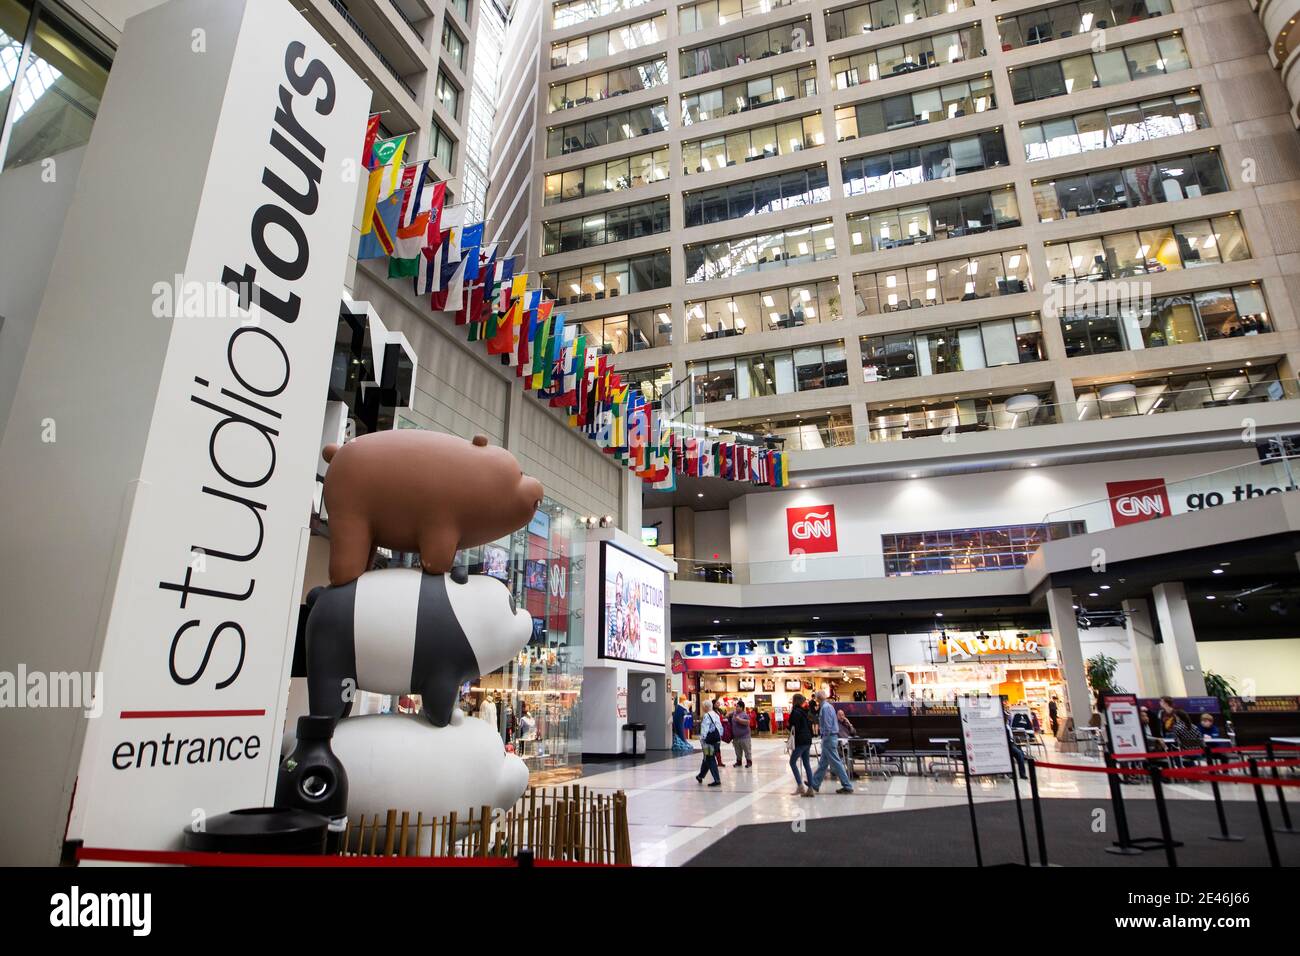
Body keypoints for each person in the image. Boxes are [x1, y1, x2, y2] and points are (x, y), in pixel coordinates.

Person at [808, 690, 854, 795]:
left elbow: (827, 725)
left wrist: (825, 738)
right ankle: (815, 784)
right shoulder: (828, 706)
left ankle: (847, 786)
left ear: (818, 699)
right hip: (830, 738)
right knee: (823, 764)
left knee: (836, 763)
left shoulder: (825, 708)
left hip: (829, 738)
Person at [787, 693, 814, 796]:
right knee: (806, 764)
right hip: (807, 740)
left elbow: (794, 727)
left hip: (800, 741)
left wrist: (788, 727)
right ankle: (810, 788)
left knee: (792, 762)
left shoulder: (795, 712)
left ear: (795, 701)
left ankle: (800, 786)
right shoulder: (805, 712)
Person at [697, 699, 725, 786]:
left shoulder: (706, 715)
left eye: (703, 707)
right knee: (707, 758)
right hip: (716, 740)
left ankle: (717, 780)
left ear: (706, 707)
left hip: (708, 742)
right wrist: (719, 737)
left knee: (710, 758)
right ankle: (700, 776)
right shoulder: (716, 715)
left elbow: (705, 729)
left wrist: (703, 740)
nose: (702, 708)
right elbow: (720, 727)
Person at [1002, 701, 1029, 779]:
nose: (1008, 717)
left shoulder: (1007, 725)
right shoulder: (1003, 726)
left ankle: (1022, 774)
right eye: (1006, 716)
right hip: (1008, 745)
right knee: (1018, 754)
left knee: (1020, 754)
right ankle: (1013, 773)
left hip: (1012, 743)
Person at [731, 700, 753, 768]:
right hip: (736, 737)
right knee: (737, 750)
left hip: (745, 737)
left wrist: (739, 720)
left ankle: (749, 762)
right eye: (736, 706)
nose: (736, 708)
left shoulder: (745, 714)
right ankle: (738, 762)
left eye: (738, 706)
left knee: (747, 750)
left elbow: (747, 722)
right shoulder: (734, 713)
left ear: (741, 707)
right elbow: (729, 714)